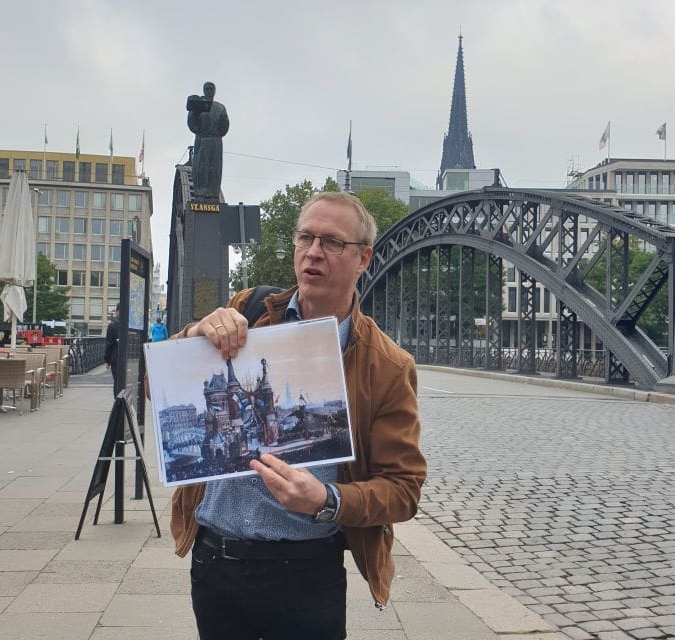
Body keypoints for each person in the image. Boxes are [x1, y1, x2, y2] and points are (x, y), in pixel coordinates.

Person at [169, 191, 426, 640]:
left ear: (364, 258)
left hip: (307, 574)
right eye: (305, 237)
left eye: (332, 242)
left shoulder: (387, 365)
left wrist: (327, 500)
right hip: (216, 564)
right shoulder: (248, 311)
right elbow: (156, 388)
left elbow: (403, 490)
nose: (313, 252)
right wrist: (193, 334)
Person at [186, 81, 229, 200]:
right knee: (200, 168)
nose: (209, 91)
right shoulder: (199, 105)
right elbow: (192, 125)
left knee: (215, 168)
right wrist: (195, 112)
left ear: (214, 91)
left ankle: (213, 194)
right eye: (207, 88)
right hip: (202, 139)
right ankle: (200, 193)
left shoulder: (220, 107)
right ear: (204, 90)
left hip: (216, 141)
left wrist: (223, 120)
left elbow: (224, 127)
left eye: (211, 88)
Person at [104, 304, 120, 392]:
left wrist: (107, 360)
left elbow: (109, 344)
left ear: (117, 312)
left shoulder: (112, 325)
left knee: (117, 381)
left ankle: (118, 399)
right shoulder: (130, 324)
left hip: (116, 357)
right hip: (129, 358)